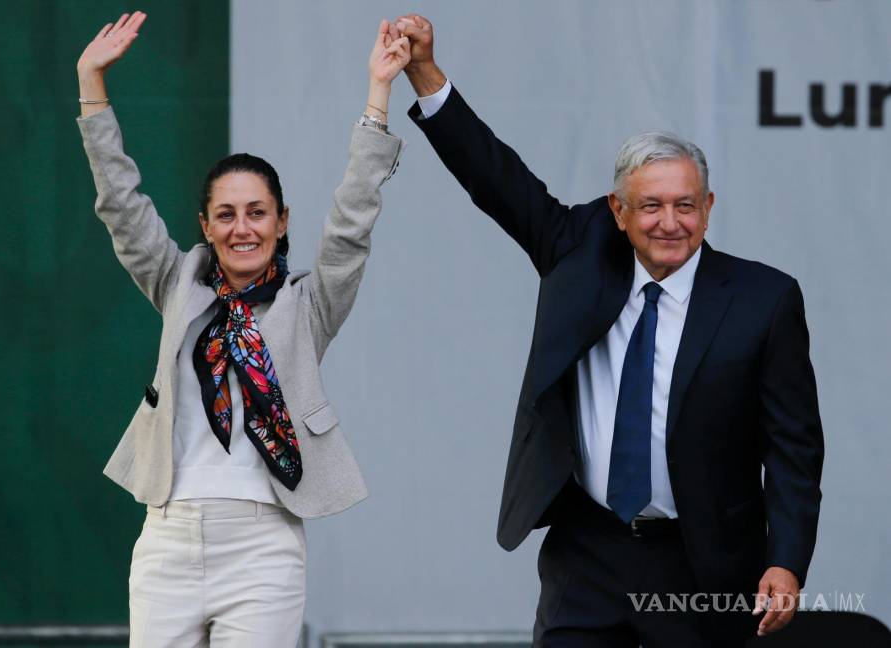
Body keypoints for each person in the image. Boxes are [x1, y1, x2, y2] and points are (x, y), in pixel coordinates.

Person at [390, 13, 824, 648]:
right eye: (650, 205)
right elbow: (494, 175)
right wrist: (424, 72)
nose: (668, 222)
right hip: (588, 550)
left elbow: (793, 448)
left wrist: (785, 560)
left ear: (708, 209)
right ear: (619, 212)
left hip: (703, 559)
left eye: (684, 205)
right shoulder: (576, 250)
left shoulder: (765, 299)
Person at [75, 11, 409, 647]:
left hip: (263, 545)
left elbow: (351, 224)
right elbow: (121, 207)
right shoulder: (179, 286)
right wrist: (92, 86)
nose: (242, 228)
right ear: (205, 225)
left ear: (282, 222)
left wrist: (378, 95)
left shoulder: (308, 304)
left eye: (257, 213)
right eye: (225, 215)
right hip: (168, 538)